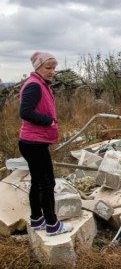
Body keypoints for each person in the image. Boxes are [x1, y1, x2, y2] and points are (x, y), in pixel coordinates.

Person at [18, 52, 73, 236]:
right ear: (37, 68)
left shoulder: (40, 84)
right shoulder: (34, 86)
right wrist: (48, 121)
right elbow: (25, 112)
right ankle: (52, 225)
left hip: (33, 141)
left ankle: (36, 220)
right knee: (46, 183)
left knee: (37, 181)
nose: (52, 72)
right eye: (48, 68)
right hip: (34, 142)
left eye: (54, 68)